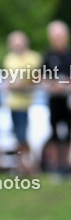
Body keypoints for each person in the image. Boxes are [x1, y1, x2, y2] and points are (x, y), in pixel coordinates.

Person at [2, 31, 41, 175]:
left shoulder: (33, 58)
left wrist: (20, 84)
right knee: (18, 136)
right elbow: (9, 80)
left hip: (28, 103)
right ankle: (22, 165)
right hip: (13, 103)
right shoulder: (9, 59)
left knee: (23, 135)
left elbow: (35, 79)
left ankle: (29, 164)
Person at [41, 20, 71, 175]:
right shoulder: (48, 55)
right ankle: (55, 165)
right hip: (54, 99)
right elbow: (40, 76)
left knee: (68, 132)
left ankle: (66, 164)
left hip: (68, 98)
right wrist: (52, 84)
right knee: (54, 132)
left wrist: (66, 84)